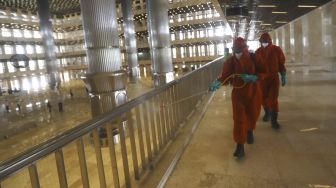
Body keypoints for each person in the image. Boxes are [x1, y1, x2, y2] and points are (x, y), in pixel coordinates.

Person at [209, 37, 266, 158]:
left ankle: (250, 131)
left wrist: (254, 77)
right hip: (238, 94)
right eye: (235, 50)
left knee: (252, 114)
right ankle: (240, 146)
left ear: (245, 48)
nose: (237, 52)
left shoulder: (254, 58)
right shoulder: (230, 62)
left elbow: (264, 71)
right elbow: (225, 76)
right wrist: (218, 83)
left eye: (239, 49)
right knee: (239, 119)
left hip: (253, 91)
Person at [255, 33, 286, 129]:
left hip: (273, 79)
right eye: (262, 42)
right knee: (263, 99)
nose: (264, 43)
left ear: (270, 41)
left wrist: (283, 74)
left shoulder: (276, 50)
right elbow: (255, 67)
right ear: (260, 42)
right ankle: (267, 113)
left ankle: (274, 120)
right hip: (262, 80)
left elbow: (281, 63)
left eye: (266, 42)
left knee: (273, 99)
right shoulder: (258, 52)